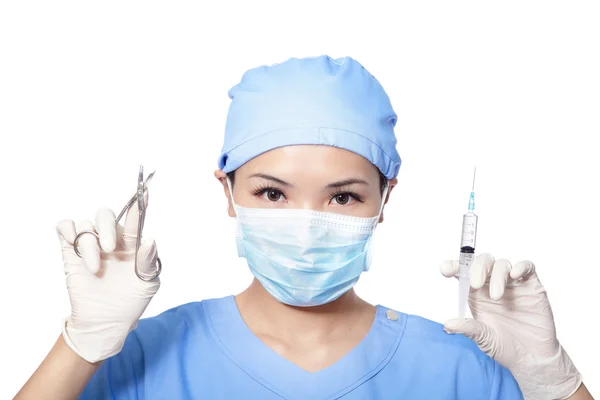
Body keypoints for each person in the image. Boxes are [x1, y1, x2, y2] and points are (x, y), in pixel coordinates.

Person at [15, 56, 593, 400]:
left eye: (342, 196)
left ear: (385, 197)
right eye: (272, 192)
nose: (306, 226)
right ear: (227, 192)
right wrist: (80, 345)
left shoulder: (459, 368)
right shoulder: (143, 359)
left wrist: (552, 379)